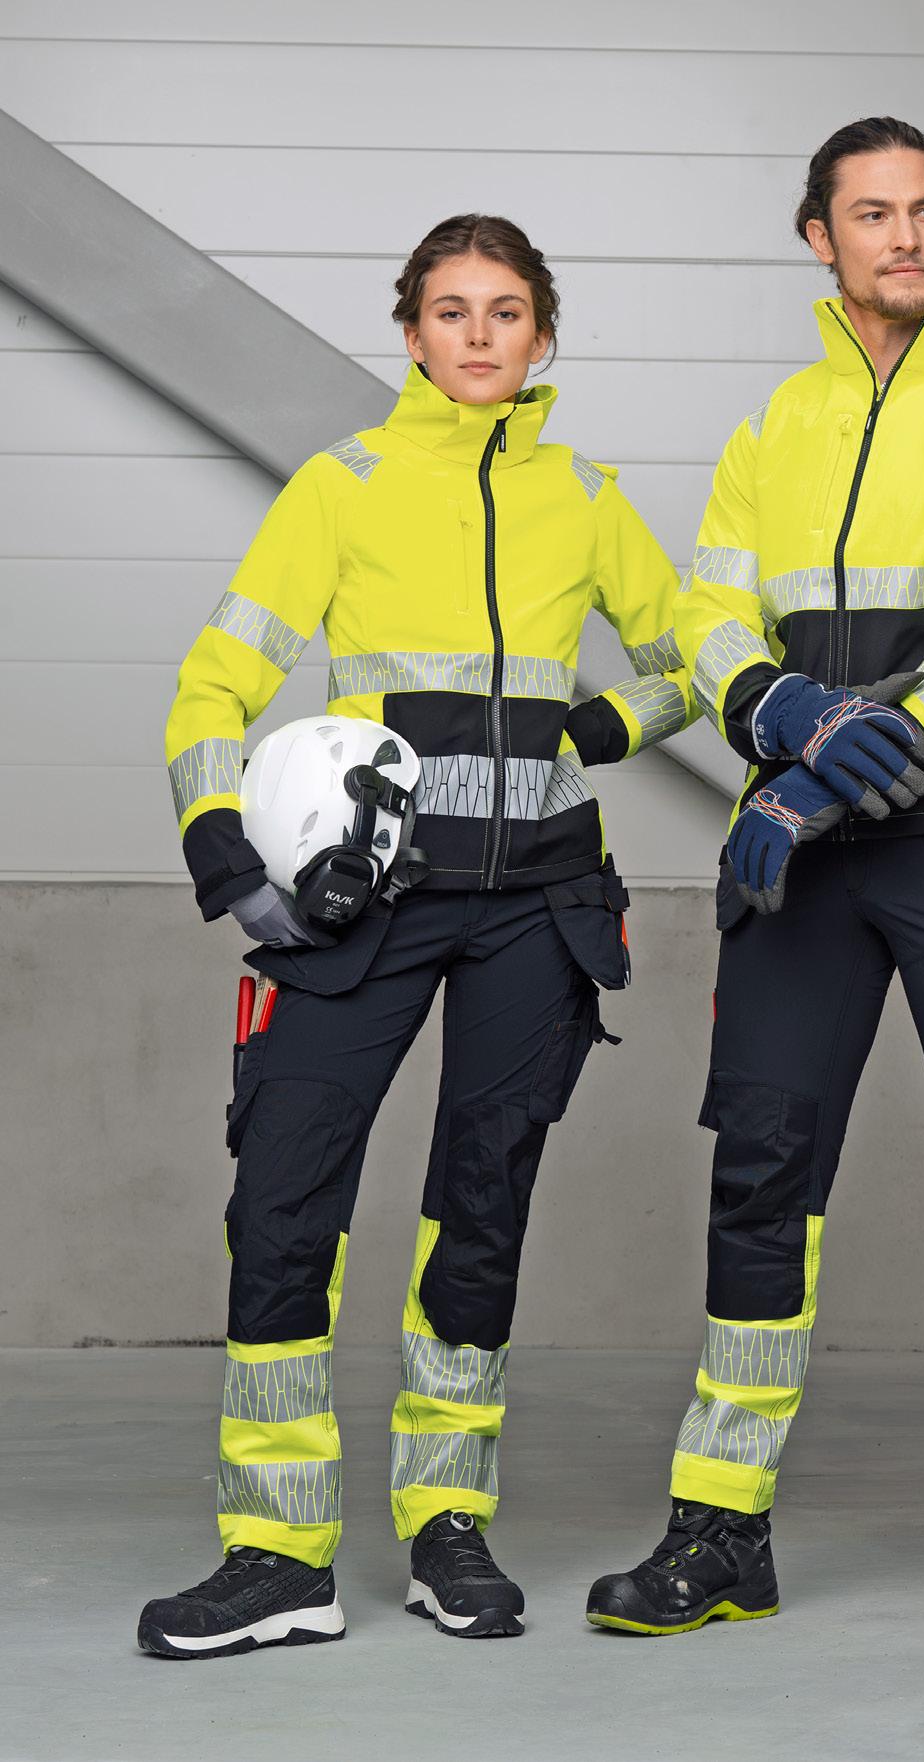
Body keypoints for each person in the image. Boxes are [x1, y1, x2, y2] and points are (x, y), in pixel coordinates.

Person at [586, 118, 924, 1668]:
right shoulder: (780, 423)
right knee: (759, 1176)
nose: (908, 238)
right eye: (874, 215)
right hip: (801, 872)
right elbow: (707, 609)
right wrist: (773, 707)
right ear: (818, 237)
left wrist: (828, 773)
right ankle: (721, 1530)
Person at [140, 213, 697, 1659]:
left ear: (542, 334)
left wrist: (600, 726)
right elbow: (213, 684)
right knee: (283, 1203)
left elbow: (694, 657)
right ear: (411, 333)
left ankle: (450, 1526)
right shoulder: (342, 486)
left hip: (539, 907)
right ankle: (278, 1554)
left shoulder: (588, 496)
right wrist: (226, 854)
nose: (478, 334)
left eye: (506, 310)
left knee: (479, 1212)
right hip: (367, 906)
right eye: (451, 310)